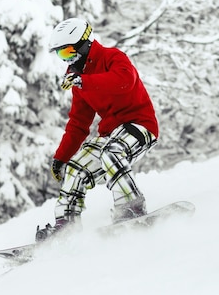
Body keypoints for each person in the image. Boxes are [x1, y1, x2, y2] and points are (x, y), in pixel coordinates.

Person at [37, 17, 159, 241]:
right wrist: (61, 157)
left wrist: (85, 81)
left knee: (111, 154)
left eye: (68, 52)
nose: (67, 60)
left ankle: (132, 208)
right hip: (112, 133)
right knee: (76, 169)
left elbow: (124, 81)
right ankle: (66, 226)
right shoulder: (79, 80)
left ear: (84, 44)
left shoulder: (113, 57)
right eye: (61, 55)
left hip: (140, 126)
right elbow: (78, 123)